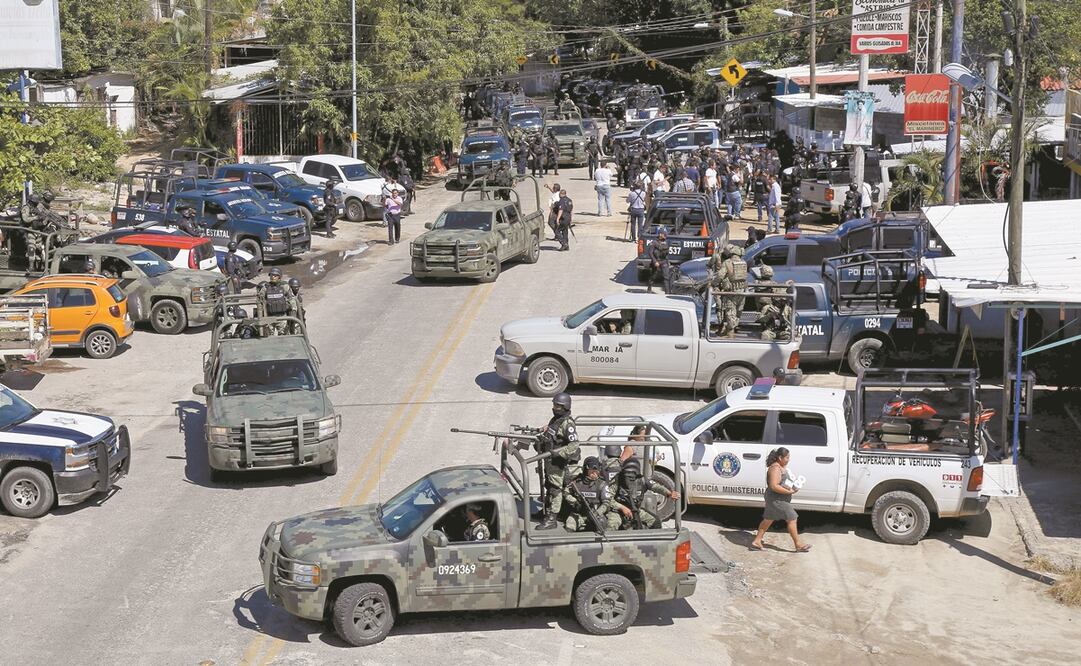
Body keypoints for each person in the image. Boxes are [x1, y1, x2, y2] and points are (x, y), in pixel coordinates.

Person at [750, 447, 811, 552]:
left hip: (777, 498)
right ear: (780, 457)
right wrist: (790, 492)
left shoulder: (780, 467)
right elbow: (774, 486)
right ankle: (798, 544)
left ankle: (757, 541)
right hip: (777, 499)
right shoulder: (775, 468)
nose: (788, 460)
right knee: (792, 518)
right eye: (787, 457)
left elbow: (782, 483)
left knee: (768, 519)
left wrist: (793, 486)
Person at [534, 393, 581, 529]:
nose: (554, 408)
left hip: (558, 462)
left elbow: (574, 444)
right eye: (554, 405)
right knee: (549, 486)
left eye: (558, 406)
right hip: (549, 460)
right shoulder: (556, 420)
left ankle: (552, 518)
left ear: (565, 407)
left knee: (555, 489)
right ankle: (547, 511)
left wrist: (558, 453)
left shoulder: (568, 424)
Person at [610, 457, 679, 530]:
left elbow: (656, 487)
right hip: (617, 511)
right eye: (627, 474)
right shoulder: (617, 480)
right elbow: (608, 499)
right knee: (612, 524)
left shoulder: (642, 480)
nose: (629, 478)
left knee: (655, 522)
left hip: (635, 510)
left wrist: (669, 493)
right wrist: (622, 507)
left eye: (632, 475)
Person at [563, 456, 616, 532]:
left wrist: (597, 513)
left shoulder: (602, 484)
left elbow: (606, 503)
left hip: (595, 514)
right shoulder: (576, 482)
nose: (594, 473)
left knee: (602, 523)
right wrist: (573, 500)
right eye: (591, 471)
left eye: (596, 471)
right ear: (586, 470)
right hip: (579, 514)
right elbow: (566, 492)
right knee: (570, 524)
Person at [708, 243, 748, 337]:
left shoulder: (727, 262)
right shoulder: (743, 262)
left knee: (730, 312)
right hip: (742, 291)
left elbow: (720, 275)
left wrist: (713, 283)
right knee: (738, 312)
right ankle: (730, 329)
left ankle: (730, 334)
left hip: (731, 292)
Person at [755, 266, 792, 341]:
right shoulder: (768, 307)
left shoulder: (787, 309)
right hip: (770, 331)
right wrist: (770, 315)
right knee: (765, 335)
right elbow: (760, 319)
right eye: (780, 300)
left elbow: (791, 323)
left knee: (788, 336)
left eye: (783, 300)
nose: (782, 302)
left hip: (781, 331)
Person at [645, 229, 669, 294]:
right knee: (653, 275)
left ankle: (667, 292)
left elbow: (666, 253)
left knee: (666, 277)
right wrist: (655, 261)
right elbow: (650, 253)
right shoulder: (654, 242)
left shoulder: (666, 242)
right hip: (656, 261)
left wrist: (667, 261)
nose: (665, 236)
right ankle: (649, 288)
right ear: (660, 234)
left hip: (664, 261)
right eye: (664, 234)